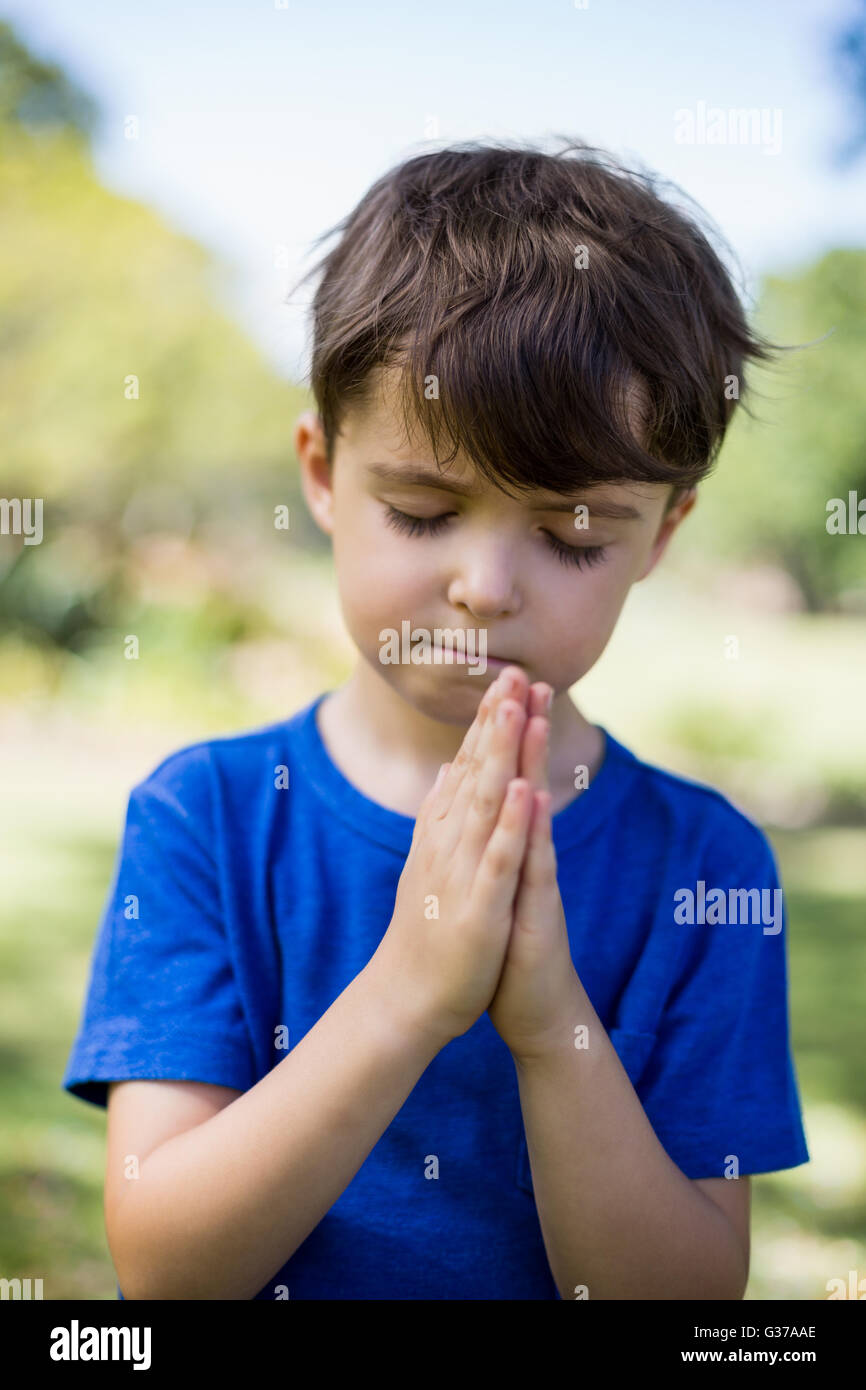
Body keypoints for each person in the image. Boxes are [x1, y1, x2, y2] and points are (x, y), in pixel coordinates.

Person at [62, 138, 809, 1300]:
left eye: (569, 538)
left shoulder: (705, 866)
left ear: (660, 534)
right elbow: (167, 1274)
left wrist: (549, 1018)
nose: (485, 587)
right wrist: (408, 991)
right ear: (320, 470)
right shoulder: (205, 817)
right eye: (421, 511)